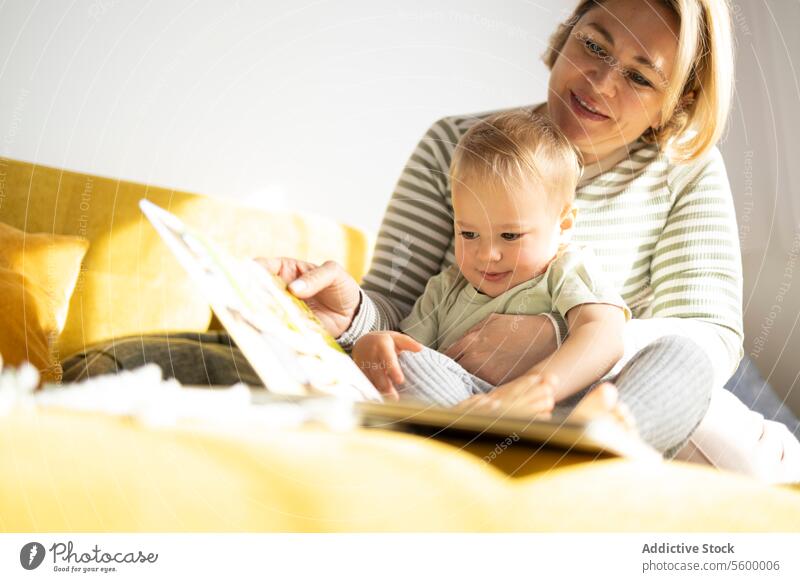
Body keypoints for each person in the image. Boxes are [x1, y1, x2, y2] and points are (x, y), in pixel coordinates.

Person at [62, 0, 800, 477]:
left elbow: (708, 337)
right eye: (594, 45)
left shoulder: (681, 173)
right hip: (468, 393)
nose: (600, 83)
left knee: (694, 377)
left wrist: (553, 349)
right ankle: (512, 456)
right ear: (564, 35)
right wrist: (352, 314)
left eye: (640, 78)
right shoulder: (457, 144)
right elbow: (401, 317)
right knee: (386, 366)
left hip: (610, 391)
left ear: (678, 104)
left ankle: (580, 453)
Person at [352, 109, 631, 415]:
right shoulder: (445, 289)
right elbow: (405, 349)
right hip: (465, 403)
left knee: (678, 354)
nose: (486, 254)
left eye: (510, 236)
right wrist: (375, 344)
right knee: (406, 364)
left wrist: (540, 385)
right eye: (469, 233)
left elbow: (605, 334)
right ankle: (477, 431)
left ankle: (582, 431)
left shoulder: (566, 270)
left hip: (557, 405)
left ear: (563, 225)